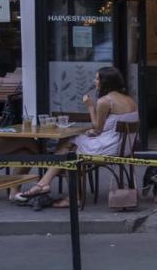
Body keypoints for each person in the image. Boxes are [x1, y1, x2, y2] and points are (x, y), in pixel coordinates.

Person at [13, 67, 139, 203]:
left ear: (105, 82)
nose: (94, 81)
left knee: (68, 148)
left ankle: (54, 189)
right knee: (70, 148)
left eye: (97, 78)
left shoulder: (104, 101)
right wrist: (92, 132)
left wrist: (90, 106)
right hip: (124, 147)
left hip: (109, 149)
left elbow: (97, 128)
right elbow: (110, 127)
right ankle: (49, 185)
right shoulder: (129, 100)